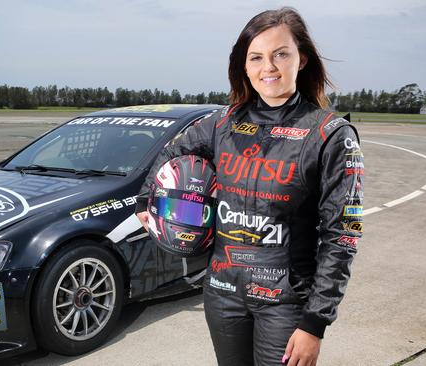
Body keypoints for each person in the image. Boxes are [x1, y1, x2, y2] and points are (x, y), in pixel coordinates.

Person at [135, 7, 363, 366]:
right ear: (244, 65)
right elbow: (172, 151)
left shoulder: (331, 134)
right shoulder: (222, 122)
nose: (268, 67)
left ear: (301, 59)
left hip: (287, 305)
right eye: (256, 57)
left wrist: (315, 322)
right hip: (223, 293)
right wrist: (144, 201)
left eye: (280, 54)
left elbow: (342, 235)